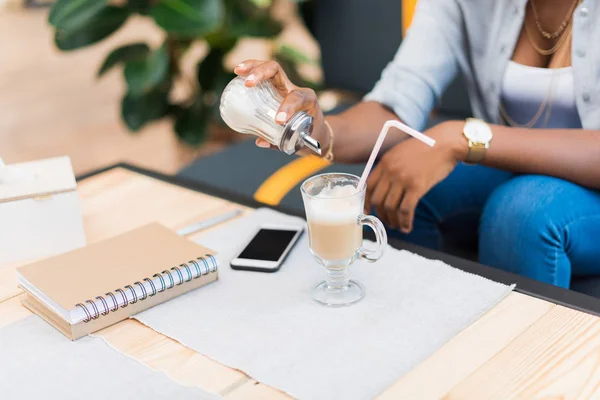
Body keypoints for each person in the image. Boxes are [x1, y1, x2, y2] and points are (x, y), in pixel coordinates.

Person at [234, 0, 600, 289]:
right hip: (512, 168)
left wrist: (460, 138)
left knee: (522, 214)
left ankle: (522, 372)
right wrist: (318, 128)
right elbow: (399, 100)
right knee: (395, 181)